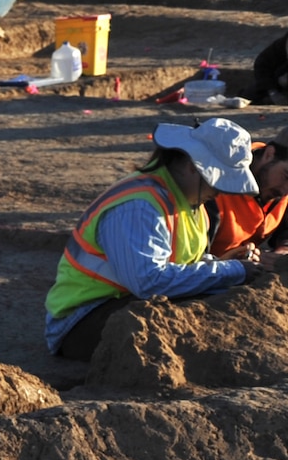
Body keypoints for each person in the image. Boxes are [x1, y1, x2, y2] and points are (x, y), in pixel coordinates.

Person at [44, 117, 274, 361]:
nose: (221, 191)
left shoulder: (187, 201)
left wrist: (220, 263)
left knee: (221, 306)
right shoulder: (140, 206)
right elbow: (149, 282)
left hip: (124, 303)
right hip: (83, 319)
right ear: (192, 167)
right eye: (219, 181)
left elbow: (176, 262)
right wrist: (231, 271)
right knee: (196, 324)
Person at [207, 129, 288, 257]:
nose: (285, 191)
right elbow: (189, 263)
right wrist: (233, 266)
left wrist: (283, 251)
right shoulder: (215, 188)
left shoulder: (278, 185)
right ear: (269, 154)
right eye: (286, 176)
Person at [252, 29, 287, 106]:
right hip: (275, 84)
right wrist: (273, 92)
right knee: (251, 95)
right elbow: (262, 66)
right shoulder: (279, 47)